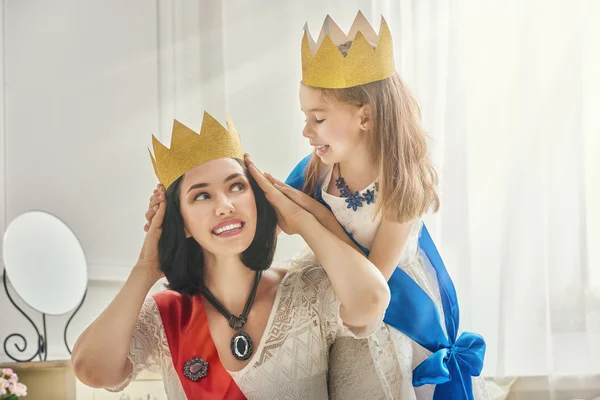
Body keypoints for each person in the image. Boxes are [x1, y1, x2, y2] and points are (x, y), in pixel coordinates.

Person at [71, 112, 390, 399]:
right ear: (181, 221)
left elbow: (372, 301)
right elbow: (91, 370)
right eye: (202, 195)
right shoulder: (166, 315)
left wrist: (303, 221)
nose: (224, 205)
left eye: (237, 187)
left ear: (258, 197)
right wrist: (145, 268)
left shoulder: (306, 291)